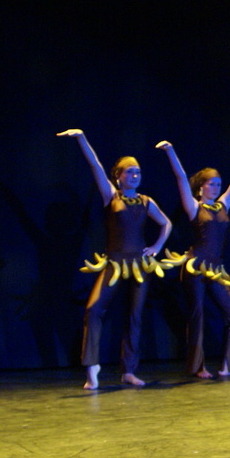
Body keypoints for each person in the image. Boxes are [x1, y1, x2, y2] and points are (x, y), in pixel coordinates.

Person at [58, 129, 172, 389]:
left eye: (138, 172)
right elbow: (95, 165)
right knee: (94, 309)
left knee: (135, 315)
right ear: (118, 176)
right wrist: (81, 138)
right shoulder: (111, 196)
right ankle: (92, 367)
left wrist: (156, 246)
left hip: (139, 264)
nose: (135, 176)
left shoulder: (146, 202)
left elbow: (166, 223)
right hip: (115, 263)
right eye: (129, 172)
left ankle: (129, 370)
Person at [157, 140, 230, 378]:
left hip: (217, 268)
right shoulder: (193, 207)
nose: (217, 188)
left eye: (219, 184)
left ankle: (229, 366)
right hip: (195, 266)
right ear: (201, 187)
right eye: (212, 184)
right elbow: (180, 177)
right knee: (197, 315)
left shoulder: (223, 205)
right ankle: (197, 367)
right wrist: (170, 151)